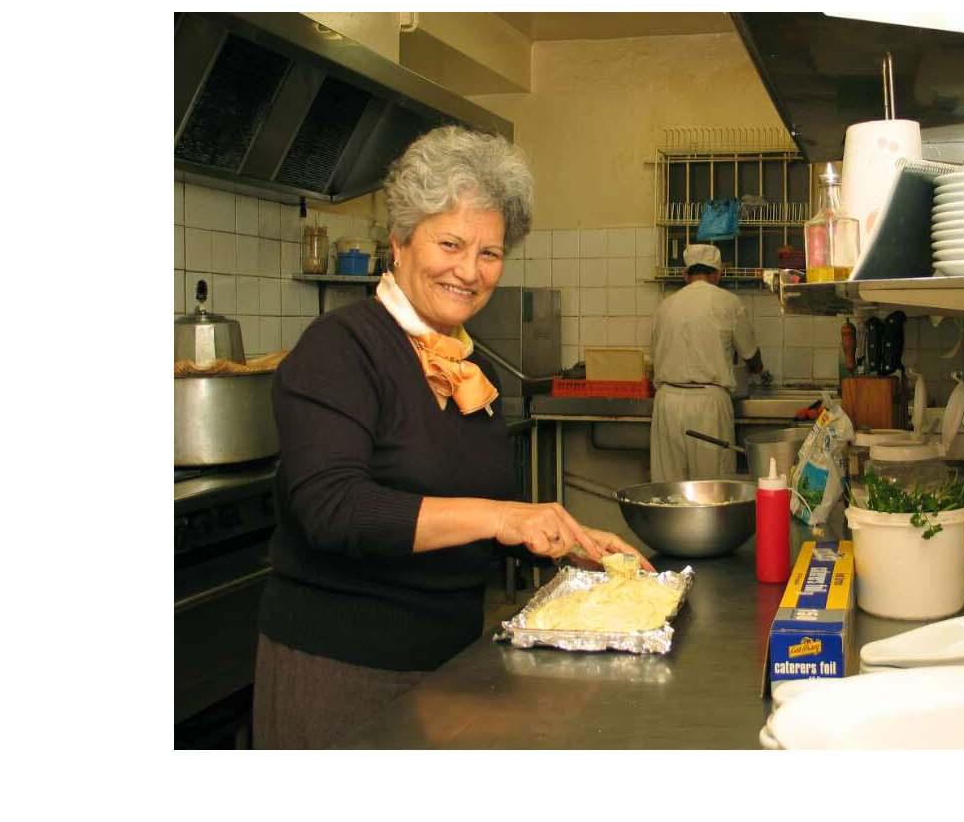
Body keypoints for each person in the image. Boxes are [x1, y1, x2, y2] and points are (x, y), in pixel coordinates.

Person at [253, 125, 650, 749]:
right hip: (342, 671)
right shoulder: (340, 347)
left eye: (489, 252)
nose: (469, 271)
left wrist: (554, 540)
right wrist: (501, 518)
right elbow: (332, 510)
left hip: (452, 668)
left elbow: (464, 512)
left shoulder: (472, 369)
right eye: (450, 243)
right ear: (400, 241)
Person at [648, 244, 768, 483]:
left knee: (668, 490)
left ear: (685, 274)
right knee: (712, 489)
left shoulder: (665, 306)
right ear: (718, 274)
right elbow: (750, 355)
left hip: (667, 403)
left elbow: (654, 354)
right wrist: (758, 370)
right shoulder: (728, 302)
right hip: (708, 406)